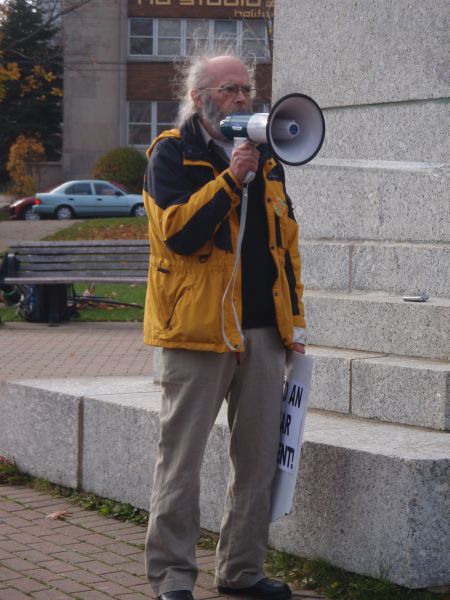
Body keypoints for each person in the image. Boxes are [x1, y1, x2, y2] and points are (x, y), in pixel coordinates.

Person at [143, 52, 306, 600]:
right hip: (197, 330)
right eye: (230, 89)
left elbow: (285, 250)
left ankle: (241, 570)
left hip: (261, 331)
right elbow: (177, 234)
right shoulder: (172, 153)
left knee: (257, 460)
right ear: (199, 98)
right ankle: (171, 577)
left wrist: (294, 325)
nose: (242, 98)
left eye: (247, 89)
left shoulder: (270, 158)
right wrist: (231, 180)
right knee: (181, 460)